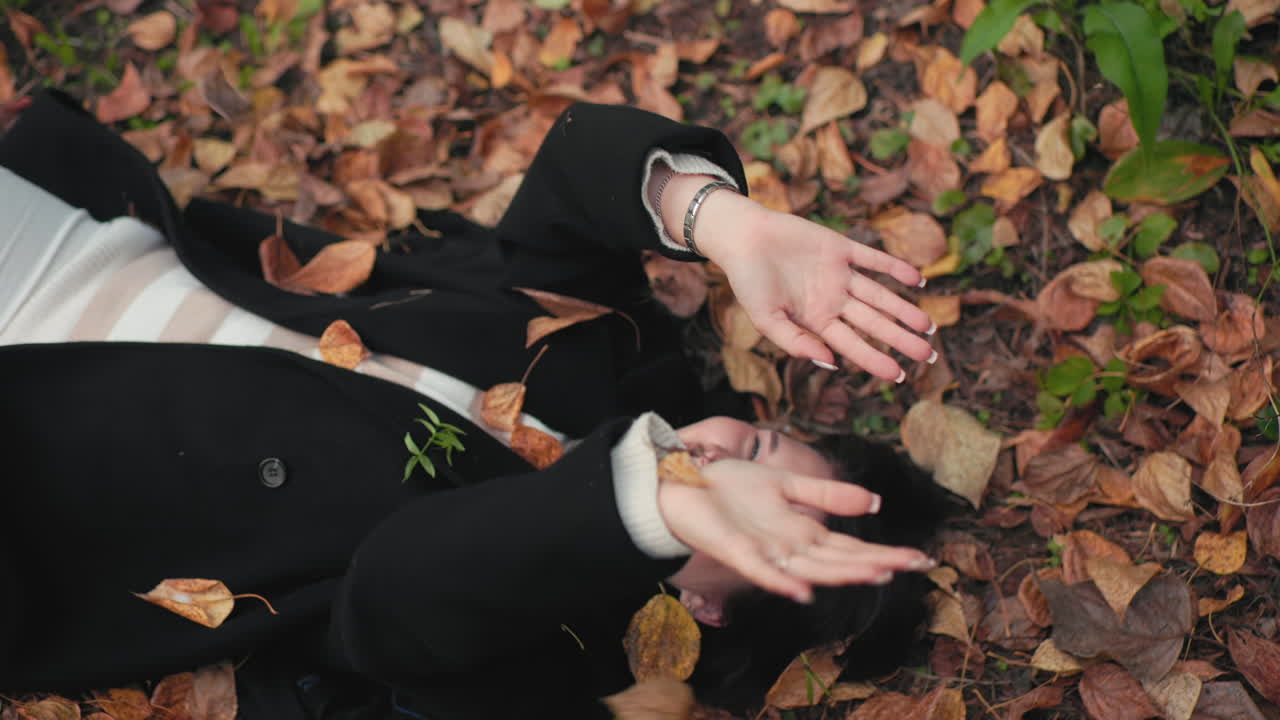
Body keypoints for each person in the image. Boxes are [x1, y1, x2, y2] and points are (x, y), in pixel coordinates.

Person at [0, 90, 945, 719]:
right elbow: (572, 174)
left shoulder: (551, 644)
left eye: (768, 508)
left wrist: (640, 505)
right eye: (769, 441)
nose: (734, 453)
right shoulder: (611, 366)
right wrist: (725, 221)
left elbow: (389, 599)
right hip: (71, 257)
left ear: (711, 603)